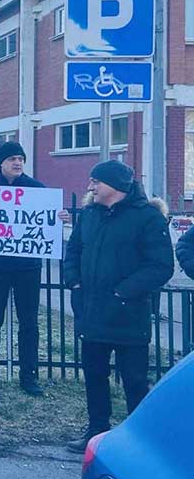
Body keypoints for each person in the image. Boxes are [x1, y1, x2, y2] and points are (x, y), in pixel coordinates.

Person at [63, 160, 173, 453]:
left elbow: (160, 267)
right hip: (92, 313)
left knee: (135, 380)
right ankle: (96, 431)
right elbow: (73, 250)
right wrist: (73, 281)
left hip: (128, 315)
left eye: (96, 181)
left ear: (115, 185)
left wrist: (122, 292)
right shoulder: (89, 215)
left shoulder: (148, 218)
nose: (90, 187)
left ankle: (140, 439)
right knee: (95, 375)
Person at [0, 141, 70, 396]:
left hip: (28, 267)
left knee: (28, 323)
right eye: (12, 159)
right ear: (1, 162)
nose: (17, 163)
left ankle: (29, 377)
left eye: (21, 159)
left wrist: (59, 218)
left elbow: (47, 223)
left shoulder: (37, 189)